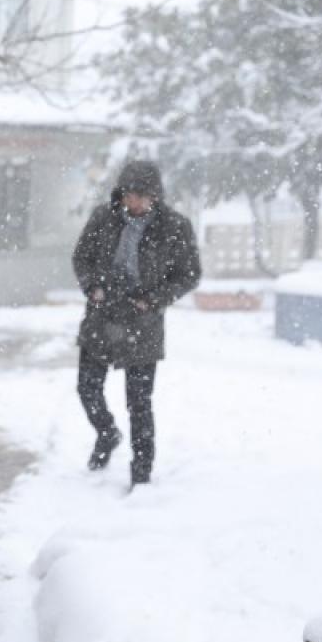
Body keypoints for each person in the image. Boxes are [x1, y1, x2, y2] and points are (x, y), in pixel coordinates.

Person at [72, 160, 201, 487]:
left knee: (139, 402)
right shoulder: (104, 218)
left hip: (143, 323)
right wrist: (93, 287)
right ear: (122, 193)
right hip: (101, 316)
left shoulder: (175, 226)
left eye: (144, 196)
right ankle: (106, 433)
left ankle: (141, 469)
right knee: (87, 389)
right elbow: (82, 257)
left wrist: (154, 299)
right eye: (131, 195)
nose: (137, 203)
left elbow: (189, 274)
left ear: (156, 196)